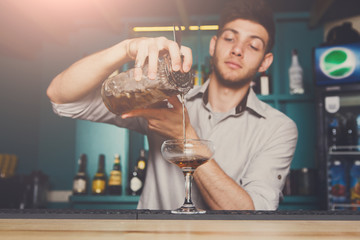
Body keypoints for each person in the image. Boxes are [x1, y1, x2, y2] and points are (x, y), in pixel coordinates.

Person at [47, 0, 297, 210]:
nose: (238, 50)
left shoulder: (277, 128)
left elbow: (252, 214)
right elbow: (62, 96)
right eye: (230, 38)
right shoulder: (161, 101)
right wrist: (126, 49)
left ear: (265, 63)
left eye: (252, 45)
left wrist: (183, 135)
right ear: (213, 45)